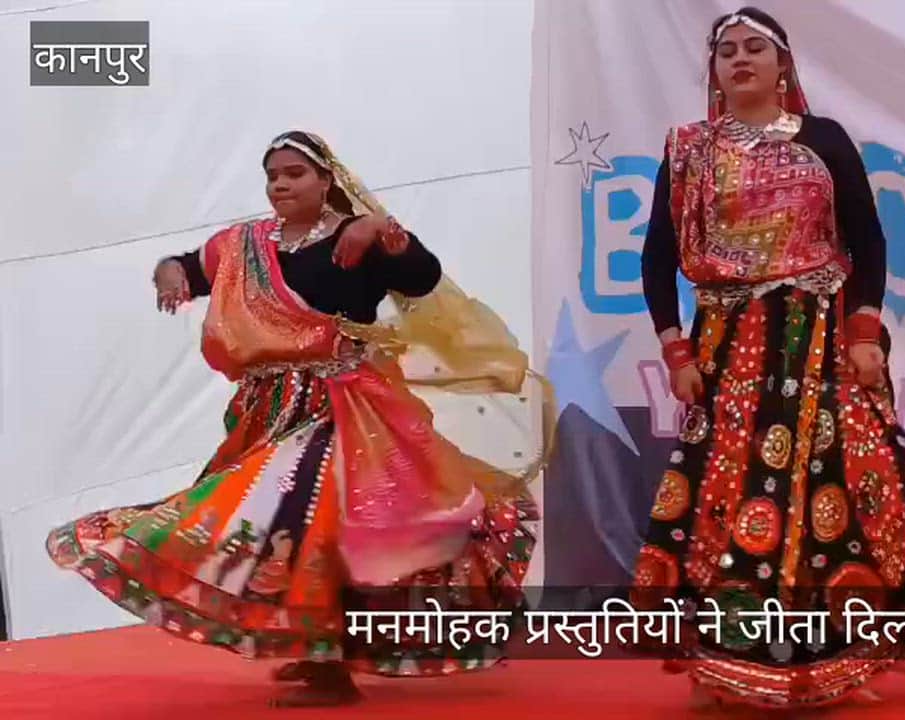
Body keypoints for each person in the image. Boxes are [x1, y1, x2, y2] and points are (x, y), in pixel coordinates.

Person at [45, 131, 545, 708]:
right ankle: (318, 653)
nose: (280, 184)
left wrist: (379, 227)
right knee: (279, 528)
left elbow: (424, 278)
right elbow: (188, 264)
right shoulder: (247, 245)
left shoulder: (360, 236)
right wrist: (170, 273)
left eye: (295, 173)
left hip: (345, 407)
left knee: (318, 528)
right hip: (270, 411)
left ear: (328, 180)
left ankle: (327, 663)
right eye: (273, 175)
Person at [629, 7, 905, 712]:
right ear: (712, 70)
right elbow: (656, 260)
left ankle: (846, 656)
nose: (740, 60)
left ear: (782, 65)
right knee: (730, 497)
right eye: (727, 51)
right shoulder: (689, 150)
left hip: (821, 344)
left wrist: (865, 334)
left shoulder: (825, 140)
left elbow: (867, 241)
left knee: (843, 492)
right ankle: (725, 659)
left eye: (755, 49)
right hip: (729, 346)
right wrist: (675, 348)